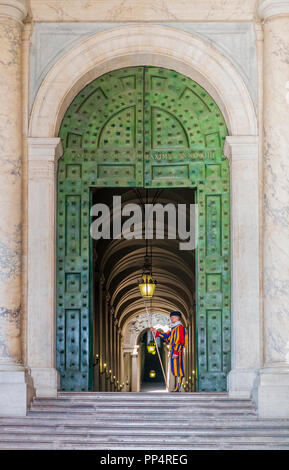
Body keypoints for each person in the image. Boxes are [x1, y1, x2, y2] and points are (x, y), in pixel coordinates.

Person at [151, 311, 188, 392]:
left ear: (178, 318)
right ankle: (177, 387)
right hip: (173, 351)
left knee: (178, 369)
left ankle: (178, 387)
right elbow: (166, 336)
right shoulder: (173, 328)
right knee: (174, 369)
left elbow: (180, 340)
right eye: (171, 317)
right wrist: (155, 331)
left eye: (173, 317)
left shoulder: (180, 328)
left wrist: (176, 351)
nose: (171, 318)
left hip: (177, 351)